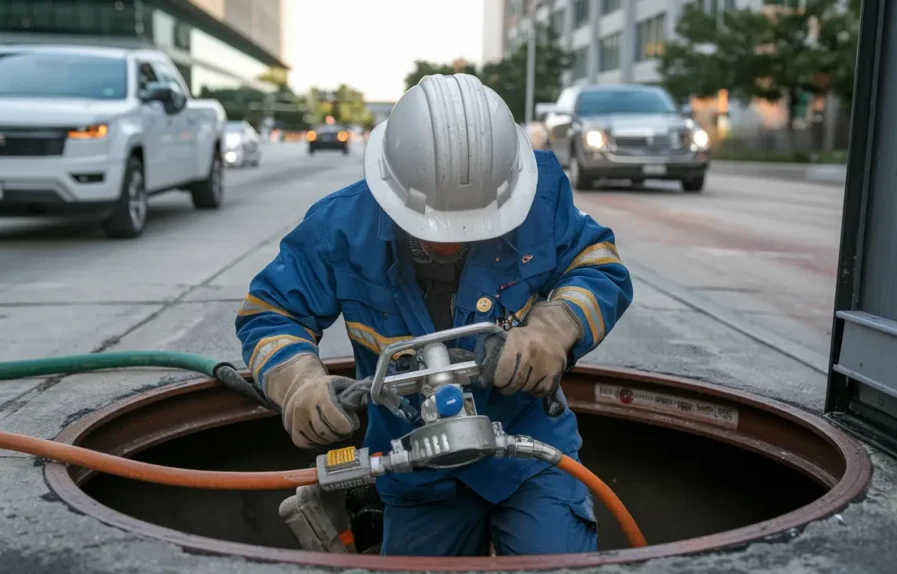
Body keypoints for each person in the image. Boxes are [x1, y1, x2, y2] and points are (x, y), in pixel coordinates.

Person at [236, 73, 633, 556]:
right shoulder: (340, 229)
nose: (453, 239)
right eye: (434, 226)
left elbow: (599, 267)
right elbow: (273, 312)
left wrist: (555, 327)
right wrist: (296, 380)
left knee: (554, 558)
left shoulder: (538, 200)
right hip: (413, 464)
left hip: (529, 452)